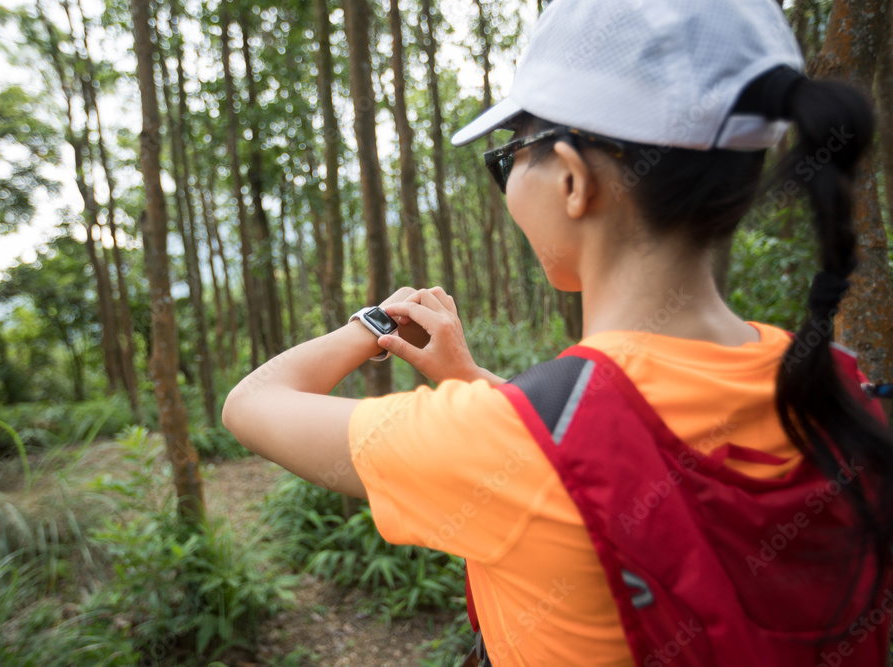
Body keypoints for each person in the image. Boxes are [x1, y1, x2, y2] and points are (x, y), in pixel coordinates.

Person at [222, 0, 893, 664]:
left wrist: (371, 325)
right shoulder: (835, 383)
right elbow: (618, 447)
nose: (507, 179)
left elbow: (251, 403)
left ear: (573, 180)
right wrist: (478, 386)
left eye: (509, 154)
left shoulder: (498, 442)